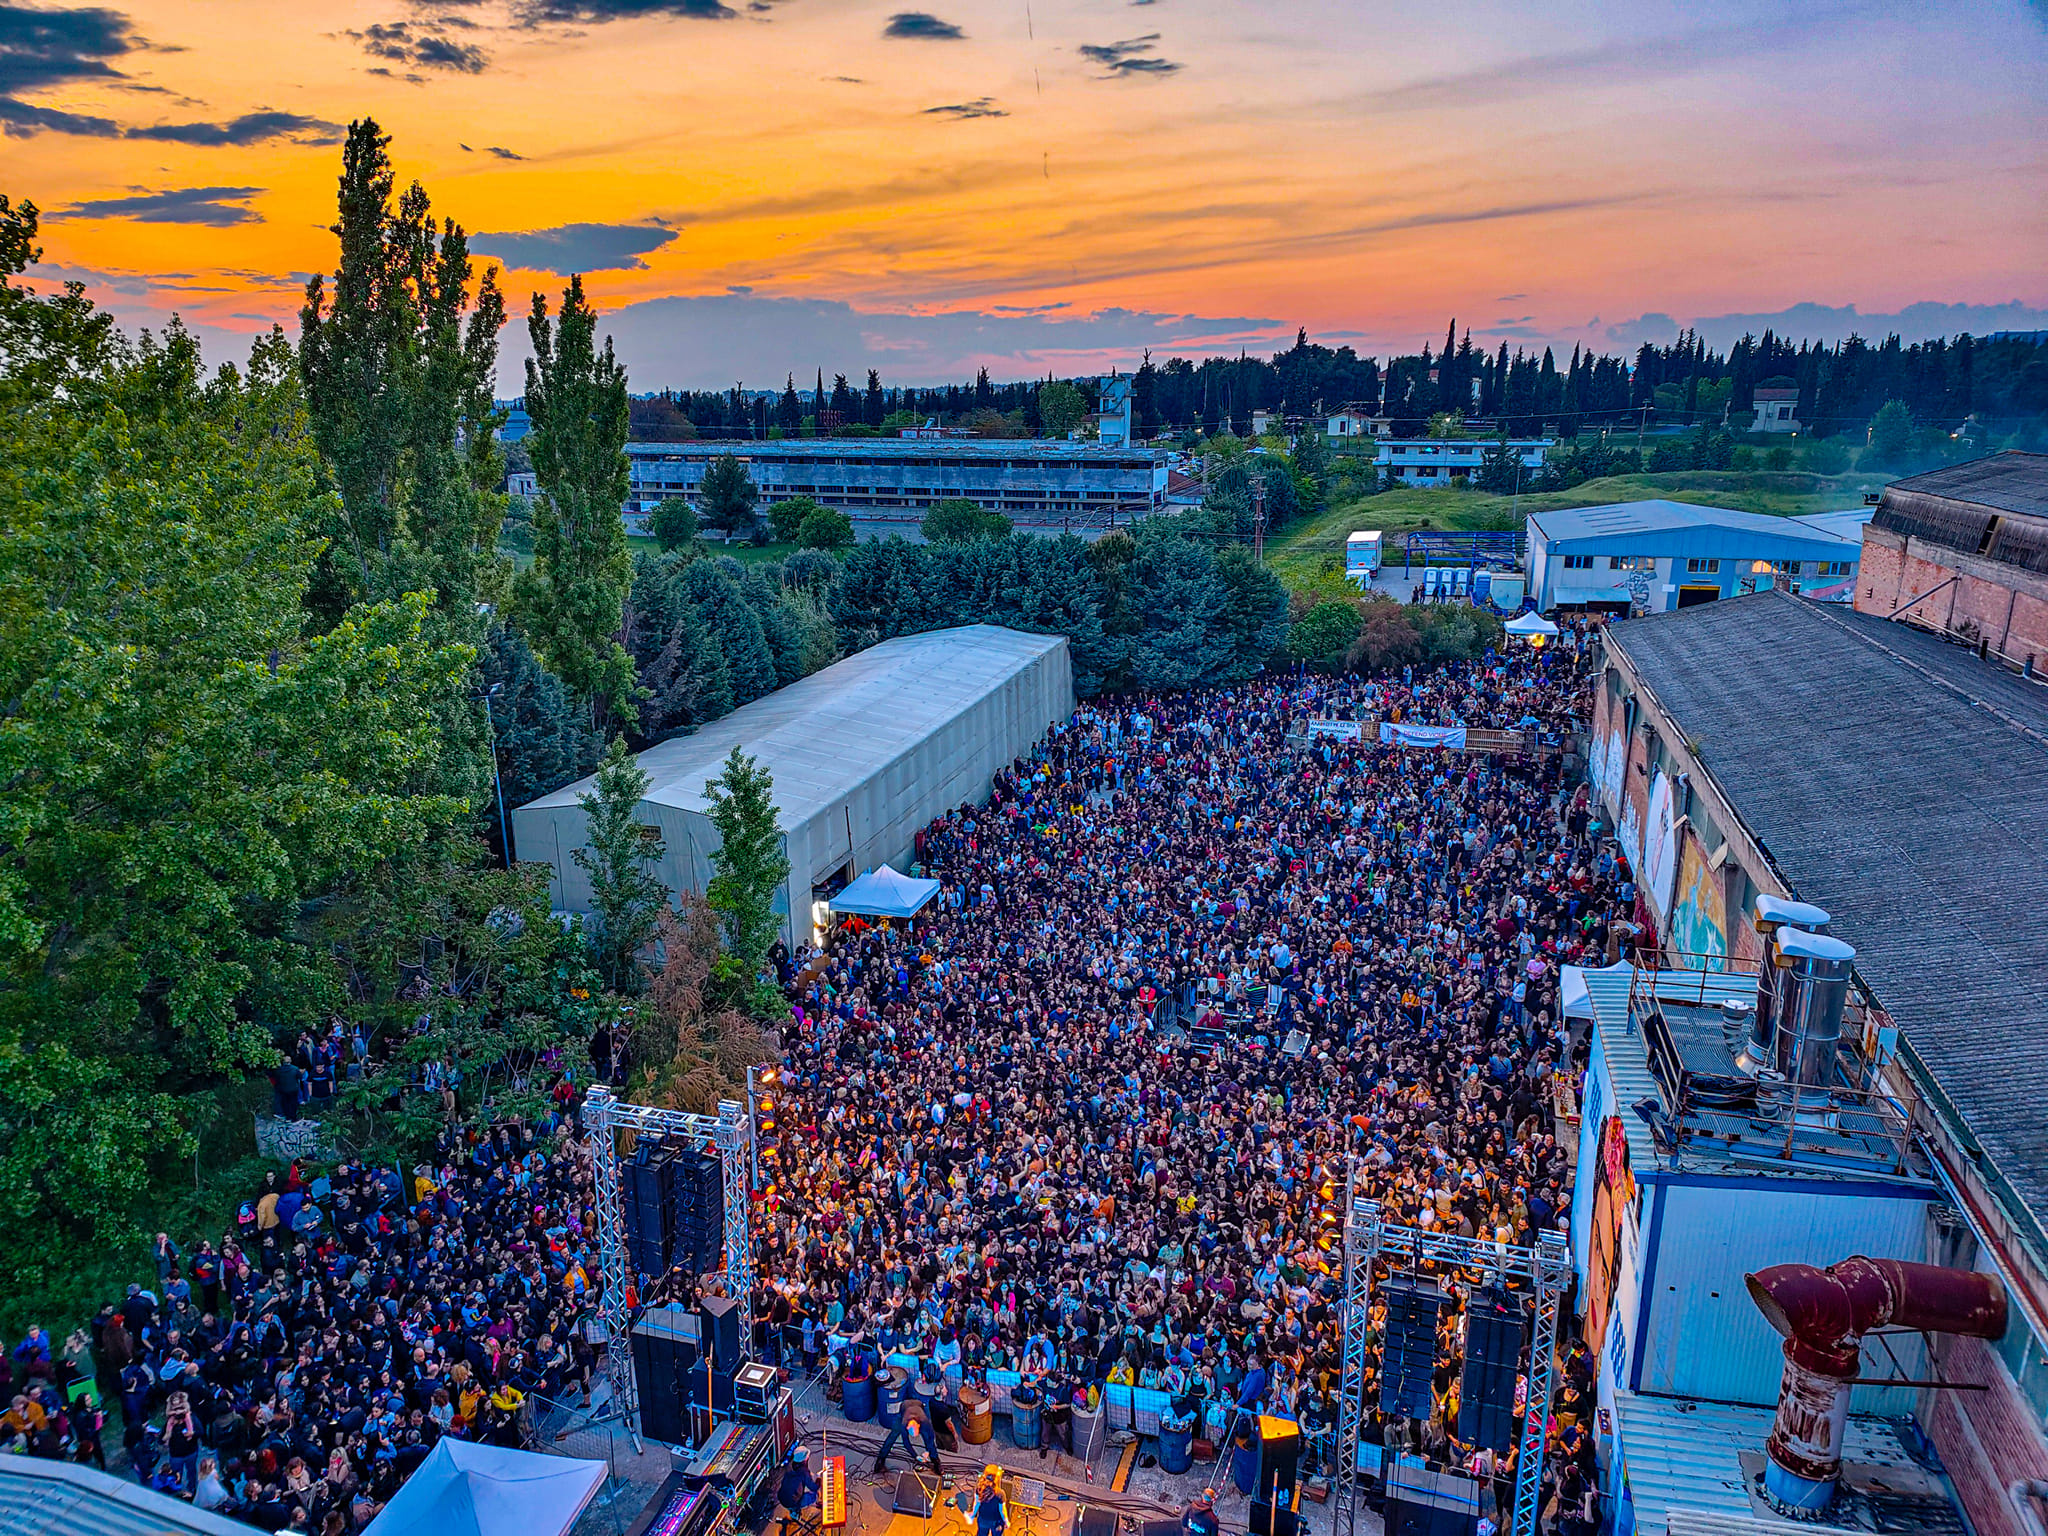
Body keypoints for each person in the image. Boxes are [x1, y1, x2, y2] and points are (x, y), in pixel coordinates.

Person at [874, 1393, 940, 1475]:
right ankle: (880, 1461)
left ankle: (936, 1461)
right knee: (893, 1435)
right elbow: (906, 1443)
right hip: (904, 1408)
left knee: (927, 1437)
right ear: (908, 1427)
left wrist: (928, 1451)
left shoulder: (925, 1421)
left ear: (919, 1426)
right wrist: (915, 1456)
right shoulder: (903, 1423)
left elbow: (931, 1436)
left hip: (918, 1406)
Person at [775, 1444, 821, 1536]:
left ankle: (793, 1510)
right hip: (791, 1502)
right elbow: (814, 1487)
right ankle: (795, 1510)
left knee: (795, 1492)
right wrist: (819, 1478)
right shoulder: (803, 1472)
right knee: (814, 1495)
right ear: (804, 1460)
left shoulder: (790, 1466)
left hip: (782, 1498)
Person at [973, 1466, 1008, 1536]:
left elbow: (976, 1503)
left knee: (982, 1533)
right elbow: (1002, 1510)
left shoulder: (979, 1489)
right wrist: (1006, 1521)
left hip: (983, 1519)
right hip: (996, 1521)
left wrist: (972, 1515)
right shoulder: (1000, 1493)